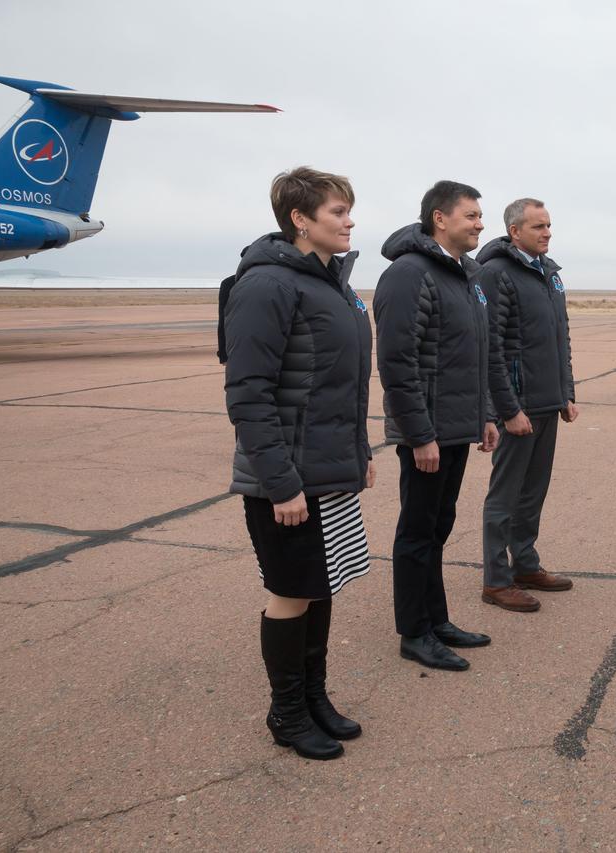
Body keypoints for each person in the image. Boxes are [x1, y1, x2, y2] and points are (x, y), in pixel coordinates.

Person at [223, 166, 373, 761]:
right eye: (338, 211)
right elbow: (249, 393)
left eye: (348, 210)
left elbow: (346, 387)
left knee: (321, 586)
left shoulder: (331, 284)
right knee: (291, 591)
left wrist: (357, 456)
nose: (349, 220)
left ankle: (314, 697)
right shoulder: (266, 286)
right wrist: (281, 483)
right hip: (283, 480)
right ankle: (287, 711)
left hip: (327, 469)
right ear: (300, 219)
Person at [374, 180, 499, 673]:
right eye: (471, 215)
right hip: (426, 431)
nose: (479, 224)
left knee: (438, 526)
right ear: (439, 219)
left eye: (480, 215)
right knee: (417, 530)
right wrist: (418, 433)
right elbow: (398, 361)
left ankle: (437, 618)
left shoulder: (464, 275)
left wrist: (484, 415)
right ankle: (414, 631)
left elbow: (475, 355)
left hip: (454, 426)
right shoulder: (409, 273)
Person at [478, 198, 579, 613]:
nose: (547, 233)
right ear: (515, 231)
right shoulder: (496, 273)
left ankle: (525, 564)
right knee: (505, 495)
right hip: (516, 406)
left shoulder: (549, 275)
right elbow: (492, 348)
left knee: (533, 491)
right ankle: (496, 581)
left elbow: (561, 338)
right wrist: (507, 409)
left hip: (546, 401)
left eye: (550, 226)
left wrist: (566, 392)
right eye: (539, 227)